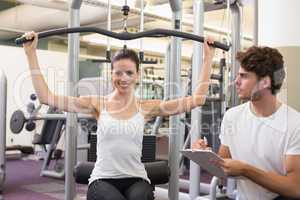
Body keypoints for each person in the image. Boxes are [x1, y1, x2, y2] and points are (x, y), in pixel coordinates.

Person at [22, 31, 216, 200]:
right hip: (103, 179)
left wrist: (208, 58)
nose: (123, 78)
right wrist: (31, 53)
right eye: (118, 73)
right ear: (111, 74)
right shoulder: (97, 103)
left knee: (142, 196)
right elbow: (46, 97)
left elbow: (197, 100)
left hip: (137, 179)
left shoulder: (146, 107)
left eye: (129, 73)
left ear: (138, 75)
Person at [192, 46, 300, 200]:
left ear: (265, 82)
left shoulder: (294, 124)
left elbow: (295, 188)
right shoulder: (232, 116)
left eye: (243, 76)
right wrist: (206, 155)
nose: (236, 82)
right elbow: (223, 167)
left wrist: (246, 170)